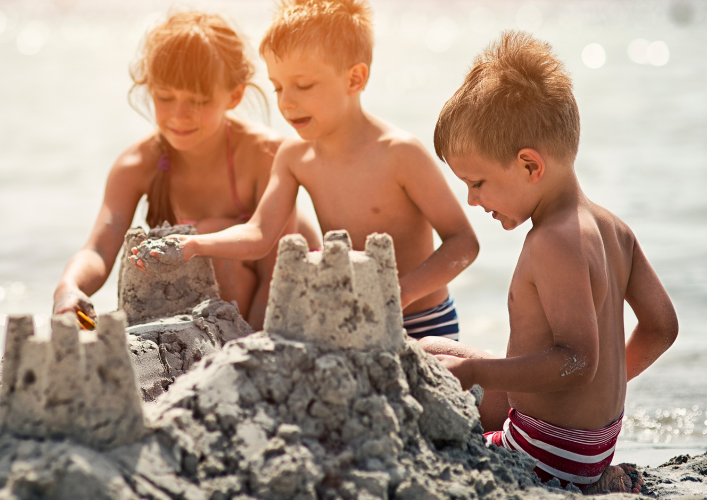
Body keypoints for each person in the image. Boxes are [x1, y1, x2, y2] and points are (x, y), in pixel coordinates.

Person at [421, 31, 678, 493]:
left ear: (529, 166)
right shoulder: (614, 228)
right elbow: (662, 327)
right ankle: (593, 469)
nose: (471, 199)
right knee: (432, 353)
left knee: (423, 390)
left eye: (477, 182)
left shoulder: (554, 241)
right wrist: (597, 397)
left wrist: (480, 374)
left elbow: (577, 360)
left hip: (540, 456)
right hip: (582, 448)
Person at [131, 0, 479, 339]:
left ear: (355, 79)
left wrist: (397, 293)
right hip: (350, 322)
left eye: (304, 85)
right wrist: (193, 245)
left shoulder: (399, 153)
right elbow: (259, 235)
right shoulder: (294, 156)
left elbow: (463, 243)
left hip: (422, 319)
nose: (287, 102)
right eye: (278, 87)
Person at [53, 11, 320, 330]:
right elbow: (99, 248)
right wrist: (68, 288)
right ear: (150, 89)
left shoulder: (265, 155)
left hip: (290, 287)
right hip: (212, 300)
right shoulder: (137, 164)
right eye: (165, 97)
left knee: (212, 231)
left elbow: (274, 271)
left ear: (234, 96)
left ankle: (227, 340)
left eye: (199, 101)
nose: (180, 115)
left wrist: (256, 346)